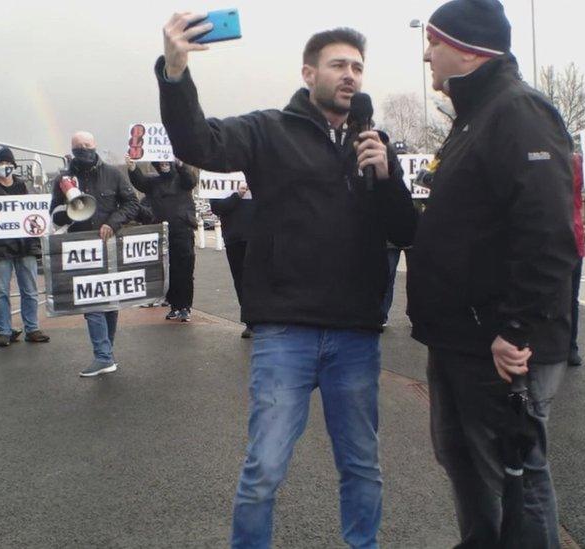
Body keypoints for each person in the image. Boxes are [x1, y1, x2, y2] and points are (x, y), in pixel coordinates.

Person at [158, 18, 416, 548]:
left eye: (358, 68)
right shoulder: (267, 130)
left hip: (355, 334)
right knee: (264, 471)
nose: (351, 76)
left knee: (362, 467)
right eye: (339, 65)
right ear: (308, 72)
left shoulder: (374, 144)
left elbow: (405, 231)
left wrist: (387, 177)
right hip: (285, 333)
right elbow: (198, 141)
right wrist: (176, 70)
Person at [405, 1, 578, 547]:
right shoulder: (475, 116)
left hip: (500, 346)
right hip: (461, 338)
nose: (426, 52)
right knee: (466, 465)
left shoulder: (517, 112)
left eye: (432, 40)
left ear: (465, 46)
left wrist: (516, 330)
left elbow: (550, 235)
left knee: (514, 476)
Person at [50, 132, 139, 377]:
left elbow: (132, 203)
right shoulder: (64, 178)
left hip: (108, 246)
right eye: (78, 147)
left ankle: (106, 355)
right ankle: (103, 356)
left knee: (109, 302)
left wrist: (113, 223)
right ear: (72, 148)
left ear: (95, 145)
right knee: (92, 302)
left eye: (87, 145)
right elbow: (54, 214)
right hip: (82, 249)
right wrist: (71, 209)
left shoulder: (113, 174)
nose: (83, 149)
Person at [0, 147, 50, 347]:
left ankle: (32, 329)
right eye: (1, 164)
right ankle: (4, 331)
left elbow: (39, 210)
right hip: (1, 248)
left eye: (8, 164)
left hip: (26, 247)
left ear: (14, 166)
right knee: (0, 292)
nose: (5, 167)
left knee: (30, 290)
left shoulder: (25, 187)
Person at [126, 156, 198, 322]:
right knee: (168, 270)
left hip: (182, 230)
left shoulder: (182, 179)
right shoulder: (153, 183)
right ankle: (174, 305)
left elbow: (190, 179)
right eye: (160, 163)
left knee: (185, 270)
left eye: (167, 162)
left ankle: (185, 306)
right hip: (163, 231)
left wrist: (180, 163)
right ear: (156, 165)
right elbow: (140, 182)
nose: (164, 165)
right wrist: (132, 167)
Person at [210, 181, 255, 338]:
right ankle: (250, 321)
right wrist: (237, 196)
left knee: (259, 278)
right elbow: (216, 208)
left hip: (257, 235)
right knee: (241, 280)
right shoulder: (218, 181)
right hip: (234, 237)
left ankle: (265, 319)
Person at [569, 152, 585, 366]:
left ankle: (570, 347)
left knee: (571, 298)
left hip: (572, 241)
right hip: (546, 240)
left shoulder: (575, 163)